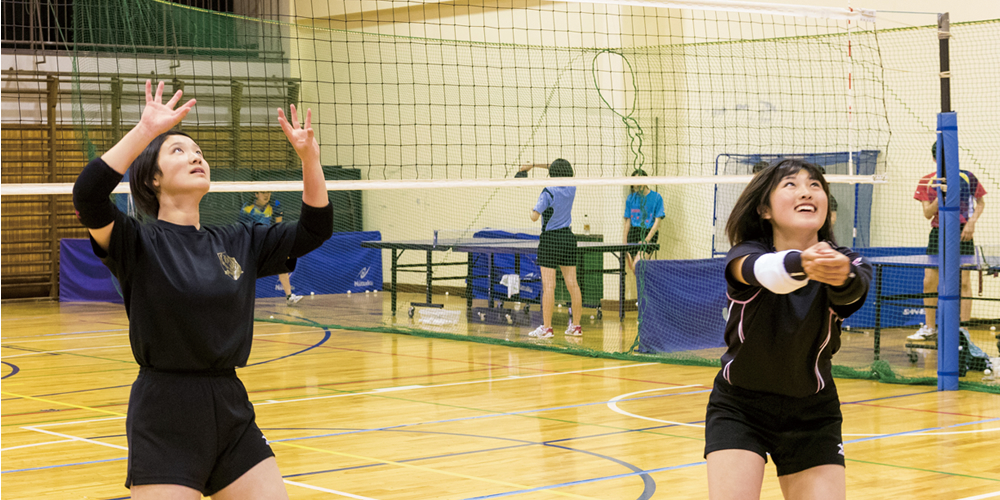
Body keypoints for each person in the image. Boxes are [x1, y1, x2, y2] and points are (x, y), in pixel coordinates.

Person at [72, 80, 332, 499]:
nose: (196, 156)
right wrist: (146, 131)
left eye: (199, 152)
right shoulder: (136, 242)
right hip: (165, 412)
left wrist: (309, 158)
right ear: (154, 179)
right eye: (178, 150)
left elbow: (316, 229)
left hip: (230, 407)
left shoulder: (239, 239)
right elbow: (87, 195)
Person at [706, 159, 872, 500]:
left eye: (815, 185)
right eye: (791, 185)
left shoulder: (847, 262)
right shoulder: (745, 256)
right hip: (740, 406)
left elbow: (853, 291)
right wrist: (802, 262)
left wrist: (841, 276)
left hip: (813, 413)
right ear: (765, 209)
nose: (806, 192)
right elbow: (766, 273)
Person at [908, 141, 987, 341]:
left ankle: (964, 329)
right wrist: (940, 195)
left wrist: (971, 223)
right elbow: (927, 213)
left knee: (964, 282)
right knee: (929, 281)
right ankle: (930, 327)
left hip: (963, 232)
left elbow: (980, 203)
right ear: (935, 159)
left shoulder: (967, 177)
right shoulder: (927, 181)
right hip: (938, 232)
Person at [520, 159, 583, 338]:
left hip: (550, 240)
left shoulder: (548, 192)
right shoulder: (572, 187)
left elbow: (534, 217)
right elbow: (558, 167)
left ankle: (547, 328)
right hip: (568, 239)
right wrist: (533, 164)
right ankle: (576, 326)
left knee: (549, 286)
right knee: (573, 284)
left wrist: (531, 208)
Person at [241, 191, 302, 304]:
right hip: (253, 242)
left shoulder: (275, 205)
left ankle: (289, 297)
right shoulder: (247, 209)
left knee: (282, 264)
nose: (266, 195)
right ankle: (241, 299)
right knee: (246, 271)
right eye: (263, 192)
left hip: (268, 240)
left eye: (268, 192)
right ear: (256, 194)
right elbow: (243, 228)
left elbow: (278, 225)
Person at [622, 169, 664, 272]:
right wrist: (624, 244)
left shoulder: (657, 197)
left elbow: (657, 222)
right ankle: (644, 288)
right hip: (633, 234)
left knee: (638, 265)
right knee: (634, 269)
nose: (637, 184)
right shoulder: (630, 199)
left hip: (648, 233)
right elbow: (627, 222)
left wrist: (647, 240)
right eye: (635, 182)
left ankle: (649, 287)